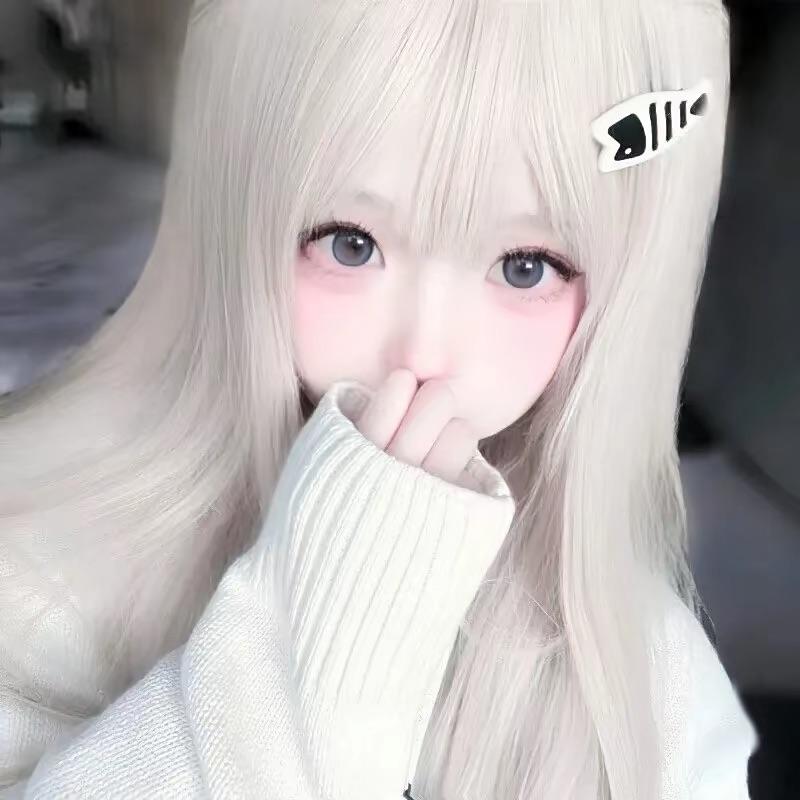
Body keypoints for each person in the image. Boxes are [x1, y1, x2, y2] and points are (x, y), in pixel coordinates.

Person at [0, 0, 758, 797]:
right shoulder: (40, 568)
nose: (425, 352)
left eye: (525, 267)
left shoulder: (644, 684)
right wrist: (307, 668)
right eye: (350, 244)